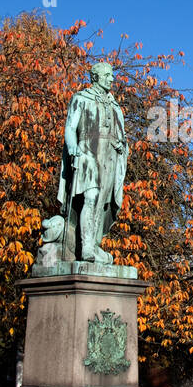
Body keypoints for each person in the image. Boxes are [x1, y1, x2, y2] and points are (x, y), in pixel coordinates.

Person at [57, 62, 127, 264]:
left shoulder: (115, 106)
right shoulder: (81, 98)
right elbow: (70, 128)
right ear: (95, 77)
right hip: (87, 152)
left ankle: (94, 245)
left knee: (102, 202)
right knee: (91, 195)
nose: (111, 79)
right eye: (107, 75)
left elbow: (120, 134)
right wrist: (72, 147)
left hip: (109, 157)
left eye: (112, 75)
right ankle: (86, 247)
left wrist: (121, 145)